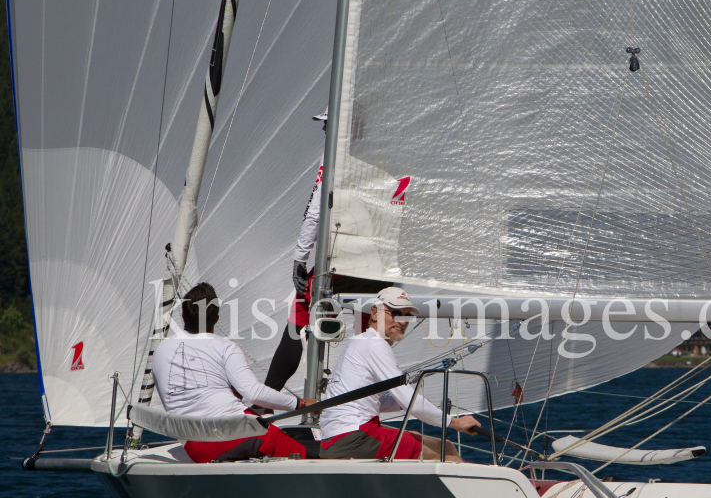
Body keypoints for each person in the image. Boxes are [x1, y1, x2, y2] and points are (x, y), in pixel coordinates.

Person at [263, 108, 389, 393]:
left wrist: (299, 258)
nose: (323, 131)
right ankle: (363, 400)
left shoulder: (333, 157)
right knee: (367, 330)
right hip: (379, 267)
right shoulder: (378, 154)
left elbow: (315, 212)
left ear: (343, 129)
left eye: (328, 125)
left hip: (342, 265)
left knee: (299, 314)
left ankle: (265, 401)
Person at [152, 282, 315, 463]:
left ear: (183, 314)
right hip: (232, 433)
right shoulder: (225, 347)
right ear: (216, 319)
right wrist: (300, 404)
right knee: (300, 453)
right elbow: (253, 393)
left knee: (260, 425)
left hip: (196, 448)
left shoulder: (160, 349)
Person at [318, 287, 479, 460]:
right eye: (395, 313)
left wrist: (407, 403)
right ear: (374, 313)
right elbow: (413, 404)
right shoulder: (376, 345)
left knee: (414, 436)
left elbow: (372, 402)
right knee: (446, 450)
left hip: (332, 441)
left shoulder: (360, 342)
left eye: (406, 315)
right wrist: (456, 422)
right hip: (355, 438)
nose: (402, 322)